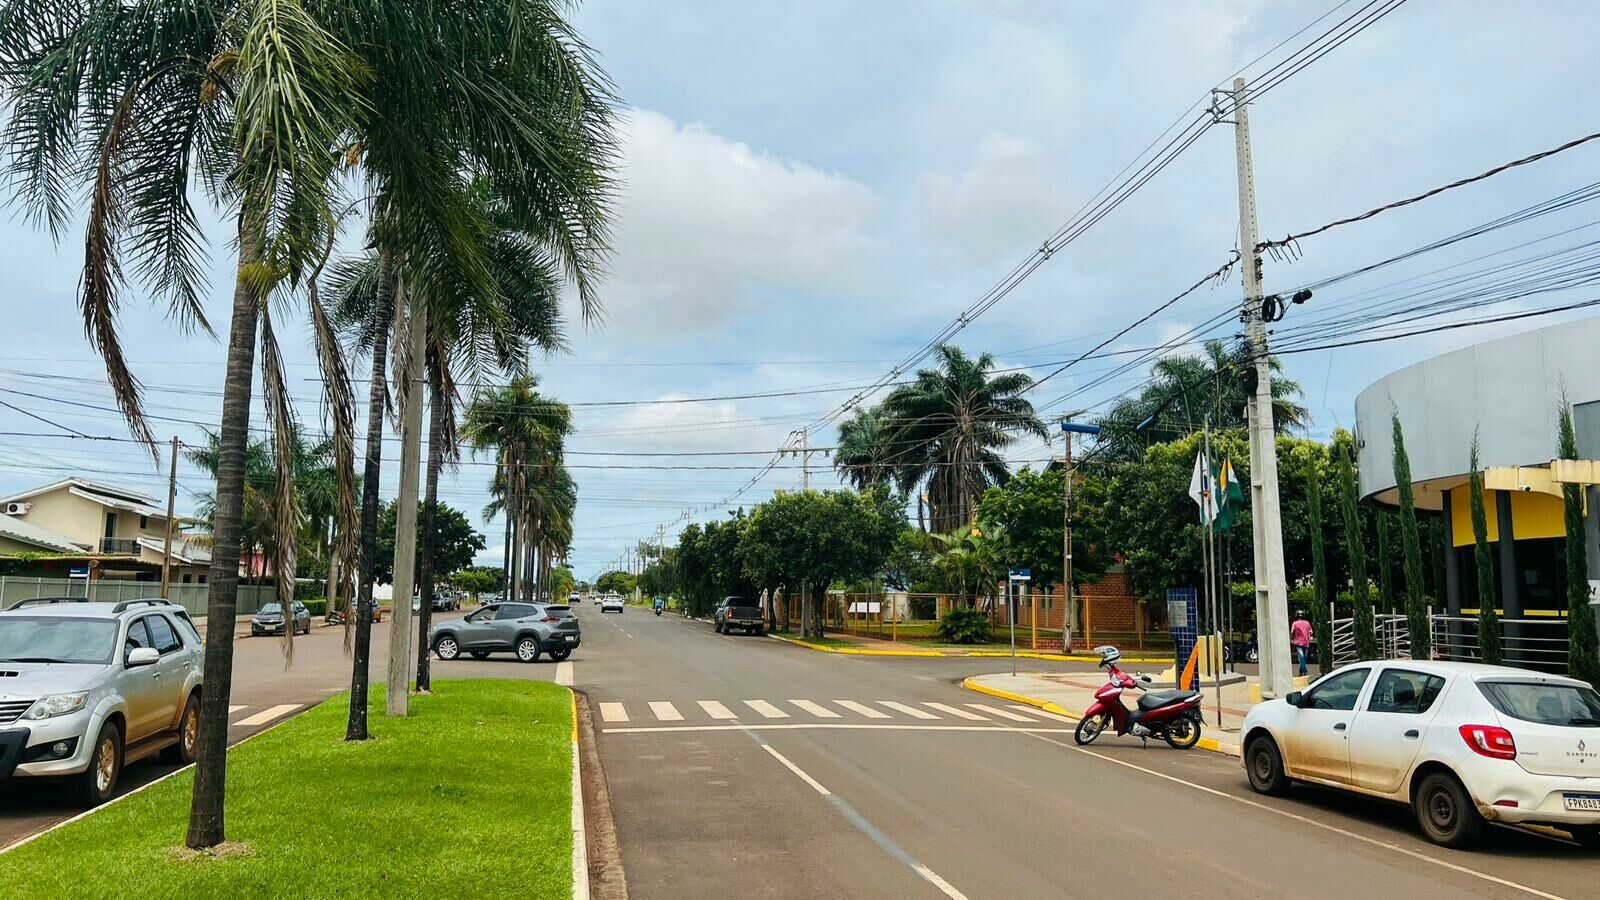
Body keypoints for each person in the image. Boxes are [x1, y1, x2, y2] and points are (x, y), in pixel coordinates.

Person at [1291, 610, 1313, 676]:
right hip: (1306, 643)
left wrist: (1291, 639)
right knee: (1303, 658)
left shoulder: (1294, 623)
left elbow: (1292, 632)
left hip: (1298, 643)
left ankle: (1304, 671)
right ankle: (1302, 671)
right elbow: (1311, 632)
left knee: (1301, 657)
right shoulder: (1307, 623)